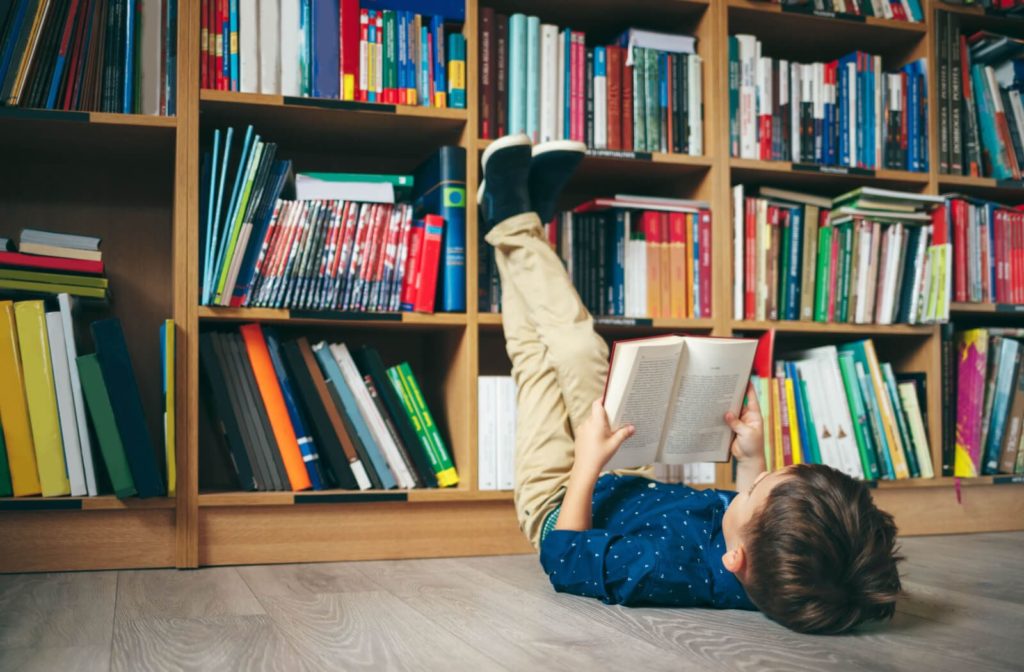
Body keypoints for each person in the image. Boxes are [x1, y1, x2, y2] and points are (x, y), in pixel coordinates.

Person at [479, 134, 904, 635]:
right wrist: (751, 460)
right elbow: (757, 515)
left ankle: (515, 220)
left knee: (538, 359)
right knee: (574, 348)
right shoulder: (774, 559)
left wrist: (587, 463)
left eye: (752, 490)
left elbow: (566, 559)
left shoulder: (660, 571)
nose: (746, 489)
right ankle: (514, 221)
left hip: (556, 497)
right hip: (623, 470)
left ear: (735, 559)